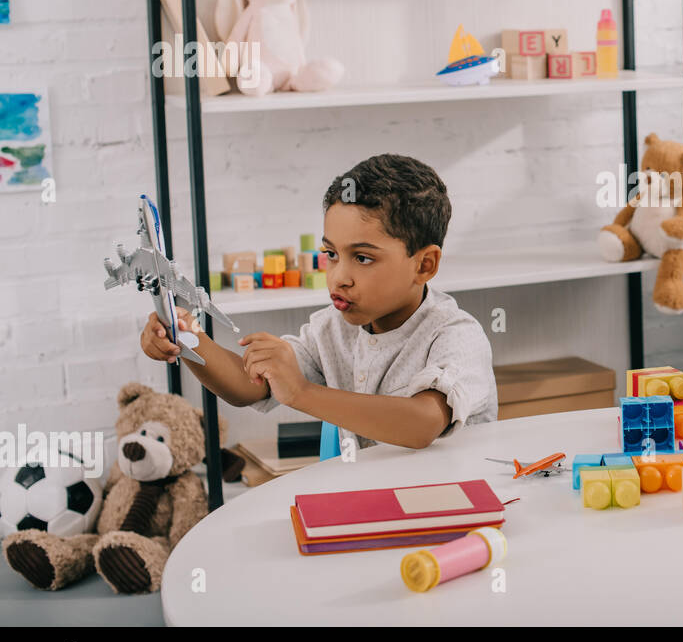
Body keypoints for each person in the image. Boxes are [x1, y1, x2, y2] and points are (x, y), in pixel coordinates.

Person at [140, 153, 496, 450]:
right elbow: (250, 386)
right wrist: (186, 337)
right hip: (376, 502)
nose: (339, 276)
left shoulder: (456, 336)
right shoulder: (332, 328)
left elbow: (422, 423)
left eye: (363, 258)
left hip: (450, 504)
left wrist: (302, 392)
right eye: (331, 254)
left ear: (425, 264)